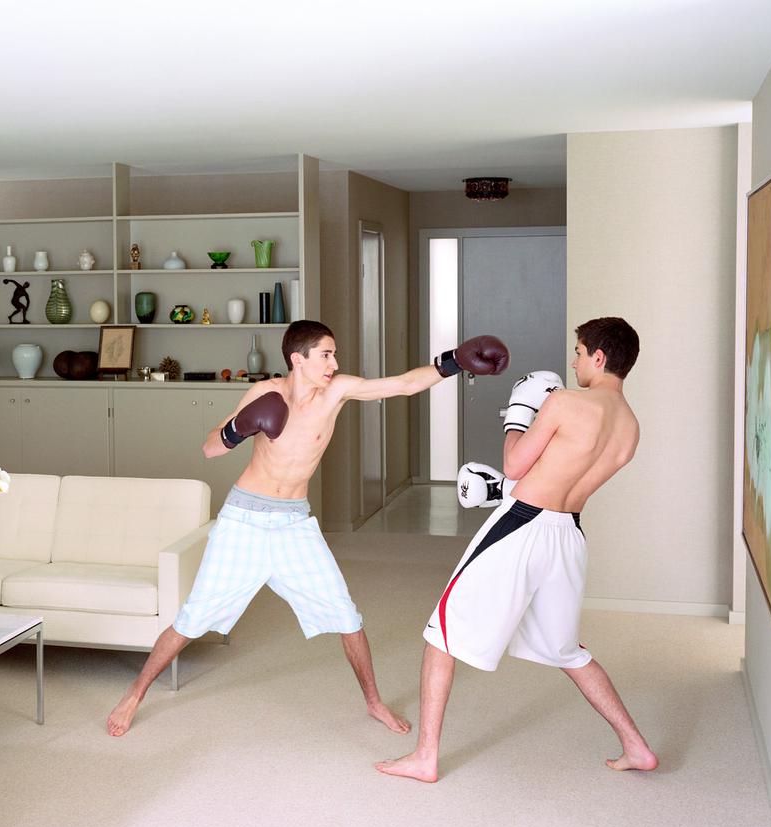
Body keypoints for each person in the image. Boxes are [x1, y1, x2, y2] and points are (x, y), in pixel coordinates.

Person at [106, 320, 510, 736]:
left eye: (334, 355)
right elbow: (210, 448)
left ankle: (374, 702)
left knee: (347, 617)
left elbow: (403, 385)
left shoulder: (336, 392)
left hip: (294, 525)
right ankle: (134, 694)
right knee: (192, 618)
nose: (334, 363)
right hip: (243, 521)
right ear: (297, 359)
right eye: (326, 355)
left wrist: (454, 362)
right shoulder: (265, 393)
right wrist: (238, 428)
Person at [377, 316, 658, 782]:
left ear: (599, 357)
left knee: (442, 633)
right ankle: (636, 745)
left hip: (521, 526)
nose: (574, 363)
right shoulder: (630, 429)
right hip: (569, 535)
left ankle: (425, 757)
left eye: (579, 353)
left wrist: (520, 413)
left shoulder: (566, 402)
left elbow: (515, 464)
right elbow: (566, 472)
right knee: (568, 651)